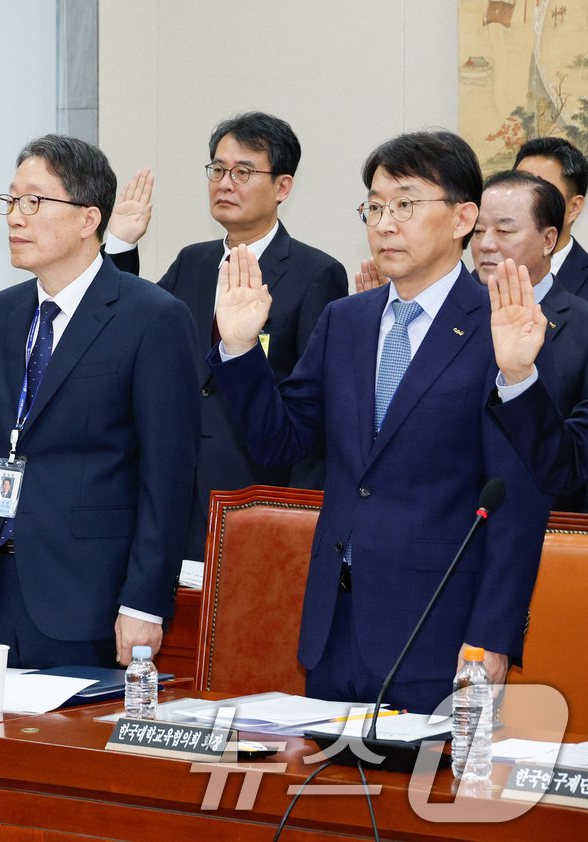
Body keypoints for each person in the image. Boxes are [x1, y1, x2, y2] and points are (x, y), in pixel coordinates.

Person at [210, 130, 550, 713]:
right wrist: (241, 352)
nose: (385, 223)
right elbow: (279, 442)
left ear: (463, 216)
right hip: (333, 627)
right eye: (375, 206)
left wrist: (492, 638)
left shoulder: (500, 327)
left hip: (439, 631)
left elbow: (516, 503)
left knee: (422, 801)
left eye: (406, 205)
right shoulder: (347, 320)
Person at [0, 134, 198, 669]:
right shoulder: (3, 312)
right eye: (10, 201)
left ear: (87, 218)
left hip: (93, 594)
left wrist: (145, 599)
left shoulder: (152, 317)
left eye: (34, 201)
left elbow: (168, 477)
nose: (15, 217)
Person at [107, 112, 346, 560]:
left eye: (243, 172)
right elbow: (125, 329)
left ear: (283, 187)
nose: (224, 183)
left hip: (256, 493)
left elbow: (316, 409)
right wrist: (120, 245)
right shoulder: (192, 262)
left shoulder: (316, 275)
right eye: (217, 170)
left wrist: (300, 516)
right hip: (174, 486)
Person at [471, 170, 588, 511]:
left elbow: (575, 461)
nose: (486, 243)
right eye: (478, 231)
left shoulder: (582, 324)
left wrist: (520, 378)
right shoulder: (450, 317)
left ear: (548, 240)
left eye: (504, 230)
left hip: (546, 530)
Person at [514, 137, 588, 298]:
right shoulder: (483, 276)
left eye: (540, 190)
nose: (524, 200)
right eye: (517, 186)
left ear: (574, 207)